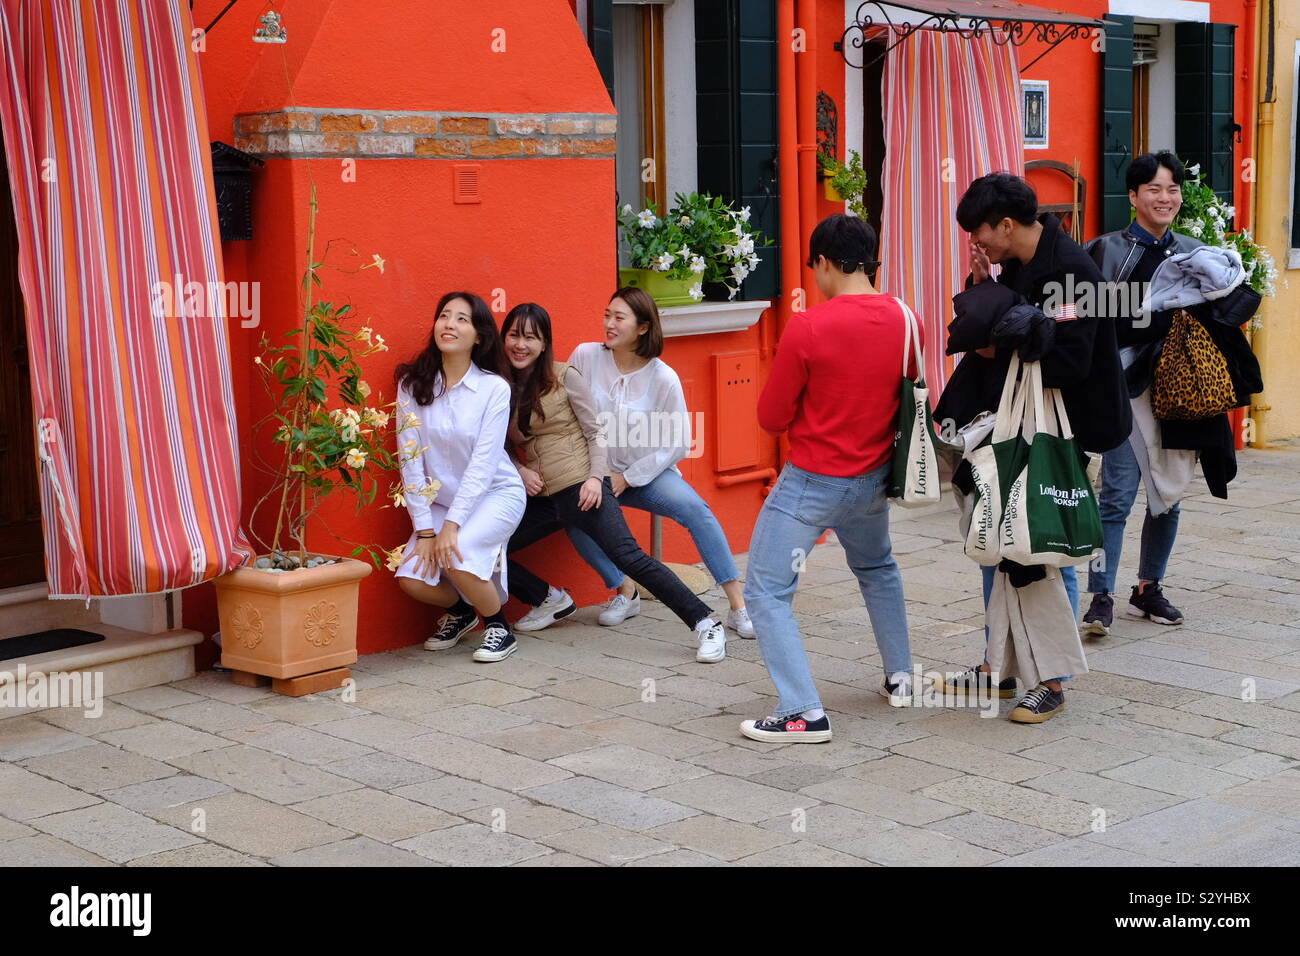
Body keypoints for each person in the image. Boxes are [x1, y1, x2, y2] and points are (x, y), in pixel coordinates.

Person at [935, 173, 1129, 722]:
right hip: (1009, 423)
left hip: (1060, 430)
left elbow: (1070, 363)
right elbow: (1007, 342)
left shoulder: (1073, 271)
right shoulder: (1015, 264)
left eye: (980, 234)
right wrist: (985, 295)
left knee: (1045, 539)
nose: (978, 244)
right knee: (993, 536)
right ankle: (1000, 664)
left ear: (1007, 224)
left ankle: (1053, 679)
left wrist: (1004, 322)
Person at [738, 215, 915, 744]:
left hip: (813, 481)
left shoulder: (809, 326)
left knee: (767, 590)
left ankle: (802, 710)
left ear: (823, 262)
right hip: (874, 477)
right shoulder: (907, 318)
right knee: (877, 568)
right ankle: (901, 678)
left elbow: (771, 417)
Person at [499, 303, 727, 661]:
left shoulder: (566, 376)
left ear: (545, 344)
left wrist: (595, 479)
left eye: (531, 337)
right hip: (542, 494)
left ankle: (706, 623)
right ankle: (548, 598)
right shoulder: (501, 388)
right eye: (514, 335)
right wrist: (519, 469)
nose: (521, 345)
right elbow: (498, 444)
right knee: (486, 547)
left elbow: (595, 432)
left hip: (581, 487)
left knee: (630, 556)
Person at [565, 287, 753, 653]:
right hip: (596, 472)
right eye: (607, 315)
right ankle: (624, 590)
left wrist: (629, 477)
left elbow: (677, 442)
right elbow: (568, 413)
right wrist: (595, 473)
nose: (608, 323)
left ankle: (737, 605)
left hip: (645, 473)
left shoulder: (662, 377)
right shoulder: (585, 356)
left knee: (696, 510)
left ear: (643, 328)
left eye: (619, 318)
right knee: (572, 515)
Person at [1078, 151, 1202, 636]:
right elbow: (1083, 311)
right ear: (1133, 197)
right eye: (1154, 188)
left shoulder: (1194, 252)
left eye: (1172, 188)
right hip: (1121, 390)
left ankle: (1149, 587)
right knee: (1116, 496)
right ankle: (1099, 594)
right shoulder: (1103, 251)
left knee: (1166, 496)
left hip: (1176, 392)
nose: (1165, 197)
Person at [392, 291, 526, 663]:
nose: (449, 324)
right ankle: (462, 612)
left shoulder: (493, 389)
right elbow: (410, 461)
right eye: (444, 316)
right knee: (412, 579)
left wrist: (451, 526)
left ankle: (499, 626)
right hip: (439, 499)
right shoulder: (412, 385)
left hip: (496, 494)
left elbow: (483, 466)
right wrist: (425, 531)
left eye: (462, 319)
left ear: (479, 335)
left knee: (457, 557)